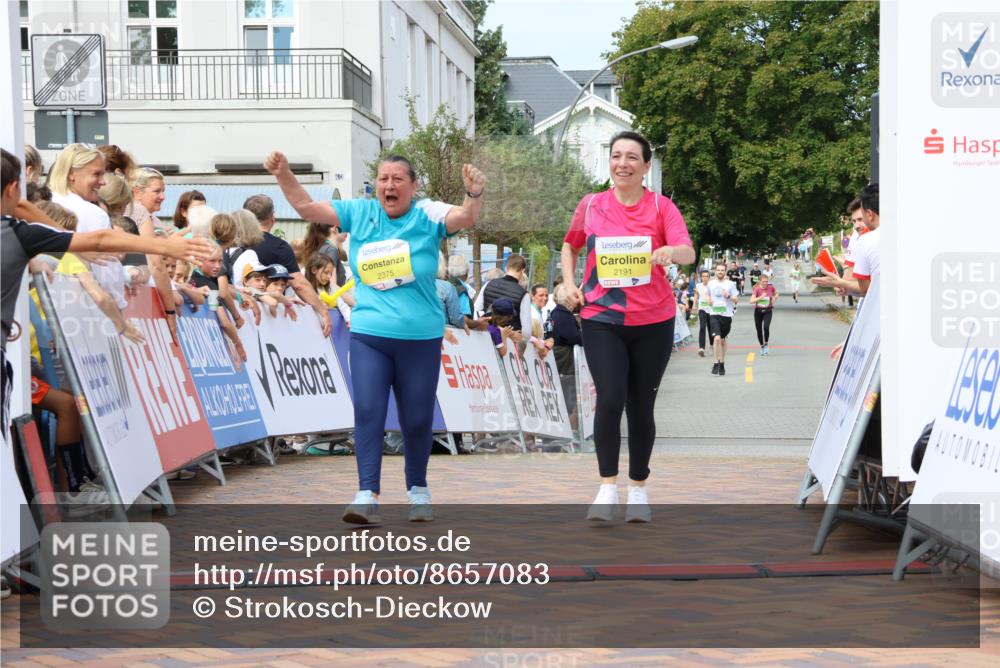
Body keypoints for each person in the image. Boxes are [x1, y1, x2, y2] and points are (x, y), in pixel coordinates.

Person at [265, 149, 485, 524]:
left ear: (413, 186)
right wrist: (283, 172)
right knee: (368, 411)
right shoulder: (361, 212)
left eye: (398, 179)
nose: (389, 185)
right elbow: (305, 207)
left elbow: (464, 216)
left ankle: (418, 490)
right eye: (383, 179)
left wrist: (473, 193)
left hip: (420, 338)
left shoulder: (427, 214)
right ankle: (367, 493)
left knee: (416, 419)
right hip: (370, 333)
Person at [1, 149, 212, 433]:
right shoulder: (17, 233)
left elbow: (24, 208)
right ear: (14, 188)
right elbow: (101, 238)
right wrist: (166, 247)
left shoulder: (19, 225)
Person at [560, 131, 695, 523]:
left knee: (641, 404)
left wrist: (671, 251)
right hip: (602, 318)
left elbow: (687, 251)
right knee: (611, 396)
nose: (623, 163)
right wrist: (569, 285)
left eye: (632, 157)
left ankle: (638, 488)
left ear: (646, 166)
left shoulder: (661, 206)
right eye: (616, 156)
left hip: (654, 319)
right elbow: (571, 245)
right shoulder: (591, 205)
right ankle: (606, 488)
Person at [242, 194, 332, 337]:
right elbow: (299, 285)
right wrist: (323, 311)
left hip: (237, 311)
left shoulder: (233, 241)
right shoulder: (279, 247)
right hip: (267, 320)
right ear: (273, 218)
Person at [707, 261, 739, 376]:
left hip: (726, 315)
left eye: (722, 270)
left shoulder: (730, 284)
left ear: (725, 272)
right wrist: (709, 301)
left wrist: (729, 296)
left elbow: (736, 300)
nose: (720, 272)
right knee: (717, 339)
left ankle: (722, 363)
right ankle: (716, 362)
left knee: (723, 340)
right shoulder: (710, 284)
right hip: (714, 314)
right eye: (718, 270)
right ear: (715, 271)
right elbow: (708, 296)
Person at [750, 273, 778, 355]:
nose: (765, 283)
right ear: (759, 281)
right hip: (758, 311)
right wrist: (761, 297)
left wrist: (774, 298)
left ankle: (766, 344)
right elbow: (751, 301)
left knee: (766, 327)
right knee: (759, 330)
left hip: (768, 310)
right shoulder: (757, 289)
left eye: (766, 281)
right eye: (763, 281)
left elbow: (776, 293)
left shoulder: (771, 287)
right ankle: (762, 346)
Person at [436, 253, 466, 329]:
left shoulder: (406, 286)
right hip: (440, 334)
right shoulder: (447, 287)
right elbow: (456, 319)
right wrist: (464, 324)